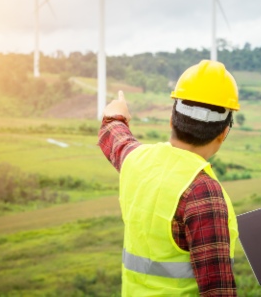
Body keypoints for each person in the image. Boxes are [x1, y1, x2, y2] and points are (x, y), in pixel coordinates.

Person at [98, 60, 240, 296]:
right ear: (224, 132)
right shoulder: (202, 192)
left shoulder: (137, 160)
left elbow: (115, 138)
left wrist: (115, 115)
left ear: (172, 119)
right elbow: (219, 291)